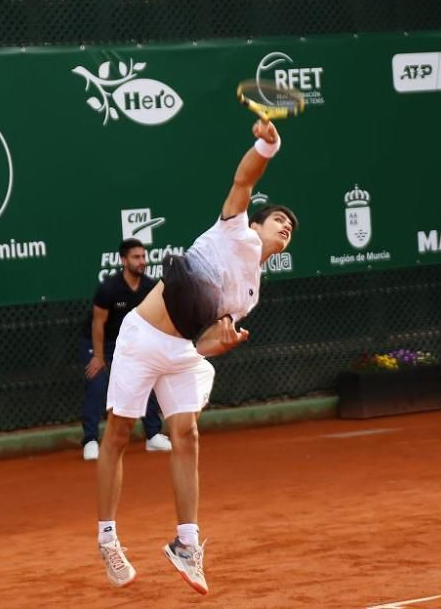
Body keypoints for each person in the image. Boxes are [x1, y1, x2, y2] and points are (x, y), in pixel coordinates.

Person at [95, 119, 297, 595]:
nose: (286, 225)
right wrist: (267, 144)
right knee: (119, 432)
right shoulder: (234, 232)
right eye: (279, 220)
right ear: (256, 224)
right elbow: (244, 180)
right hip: (142, 337)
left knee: (186, 434)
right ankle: (107, 536)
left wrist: (218, 346)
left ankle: (186, 543)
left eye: (291, 228)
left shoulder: (250, 294)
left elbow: (202, 342)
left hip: (182, 351)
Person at [79, 239, 171, 461]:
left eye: (143, 257)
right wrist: (99, 357)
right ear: (123, 260)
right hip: (100, 342)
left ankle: (153, 436)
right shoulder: (108, 288)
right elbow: (98, 323)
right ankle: (91, 440)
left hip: (130, 344)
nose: (142, 261)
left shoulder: (150, 287)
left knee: (145, 380)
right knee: (98, 382)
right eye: (136, 257)